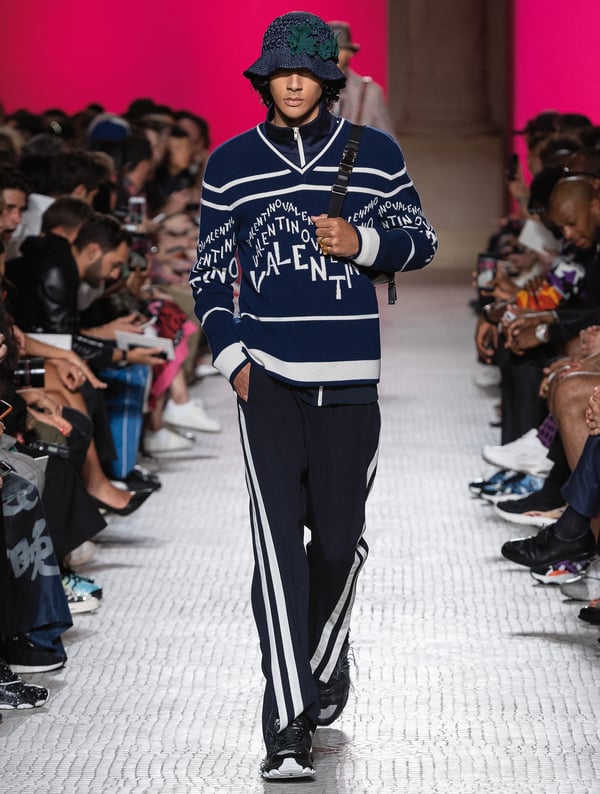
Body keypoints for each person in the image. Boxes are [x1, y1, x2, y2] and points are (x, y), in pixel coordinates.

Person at [189, 11, 437, 780]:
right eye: (280, 72)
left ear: (329, 78)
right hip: (267, 382)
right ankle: (286, 724)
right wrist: (234, 359)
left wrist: (362, 243)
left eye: (306, 72)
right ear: (264, 79)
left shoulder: (375, 154)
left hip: (352, 381)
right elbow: (209, 275)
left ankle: (326, 656)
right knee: (277, 552)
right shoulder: (230, 163)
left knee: (336, 544)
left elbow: (421, 241)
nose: (292, 83)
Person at [327, 20, 395, 136]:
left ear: (350, 52)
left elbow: (388, 140)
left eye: (340, 48)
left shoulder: (370, 92)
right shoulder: (309, 88)